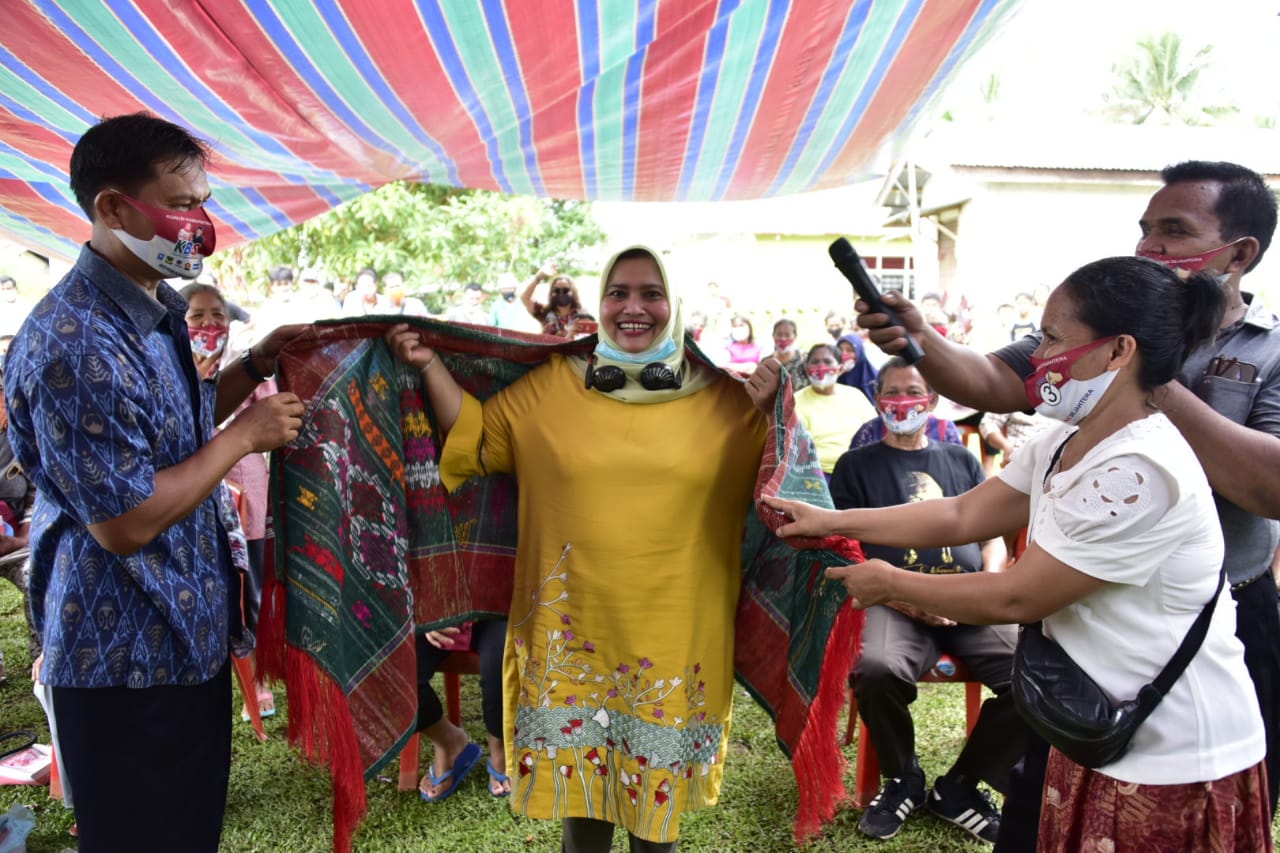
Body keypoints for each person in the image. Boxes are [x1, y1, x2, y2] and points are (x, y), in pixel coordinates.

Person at [774, 256, 1270, 851]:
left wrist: (888, 584)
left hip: (1170, 750)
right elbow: (961, 513)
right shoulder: (1068, 438)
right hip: (1098, 725)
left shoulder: (1138, 470)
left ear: (1118, 353)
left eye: (1053, 339)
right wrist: (829, 518)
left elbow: (1019, 593)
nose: (1035, 357)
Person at [384, 245, 782, 852]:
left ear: (674, 305)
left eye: (651, 293)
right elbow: (476, 440)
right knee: (583, 806)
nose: (634, 307)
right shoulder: (551, 389)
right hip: (575, 635)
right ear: (599, 303)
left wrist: (775, 410)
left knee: (655, 823)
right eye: (618, 292)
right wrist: (430, 365)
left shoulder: (727, 401)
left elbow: (780, 491)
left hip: (673, 636)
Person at [2, 113, 305, 853]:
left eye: (203, 202)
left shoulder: (153, 310)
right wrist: (246, 438)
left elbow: (174, 438)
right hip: (121, 662)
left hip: (181, 636)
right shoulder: (77, 341)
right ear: (111, 207)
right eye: (183, 202)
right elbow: (128, 518)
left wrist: (257, 364)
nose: (200, 224)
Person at [830, 357, 1016, 844]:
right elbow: (847, 549)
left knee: (1037, 675)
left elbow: (992, 535)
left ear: (931, 401)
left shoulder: (961, 461)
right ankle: (903, 777)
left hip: (971, 602)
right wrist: (909, 597)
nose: (900, 402)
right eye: (890, 393)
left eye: (912, 392)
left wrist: (987, 586)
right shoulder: (856, 467)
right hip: (895, 603)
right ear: (876, 399)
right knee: (875, 670)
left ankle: (959, 786)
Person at [181, 281, 278, 723]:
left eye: (217, 314)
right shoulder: (166, 369)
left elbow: (272, 414)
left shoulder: (247, 369)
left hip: (247, 495)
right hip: (191, 501)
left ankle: (257, 683)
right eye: (197, 315)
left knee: (250, 589)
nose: (208, 323)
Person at [414, 619, 510, 802]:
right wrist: (424, 614)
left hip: (495, 610)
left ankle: (501, 749)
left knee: (501, 662)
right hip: (440, 610)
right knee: (395, 669)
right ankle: (448, 742)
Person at [792, 343, 875, 477]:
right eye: (815, 362)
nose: (821, 367)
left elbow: (874, 431)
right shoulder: (795, 402)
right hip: (816, 476)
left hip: (859, 472)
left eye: (827, 361)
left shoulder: (855, 395)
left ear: (840, 368)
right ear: (806, 368)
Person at [521, 262, 584, 337]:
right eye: (557, 290)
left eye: (565, 290)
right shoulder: (545, 311)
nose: (561, 293)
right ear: (551, 293)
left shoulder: (582, 315)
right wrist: (539, 276)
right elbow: (525, 298)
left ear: (573, 292)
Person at [770, 318, 809, 391]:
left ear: (795, 337)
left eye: (788, 335)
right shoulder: (766, 362)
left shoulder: (805, 359)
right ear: (773, 336)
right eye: (779, 334)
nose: (783, 339)